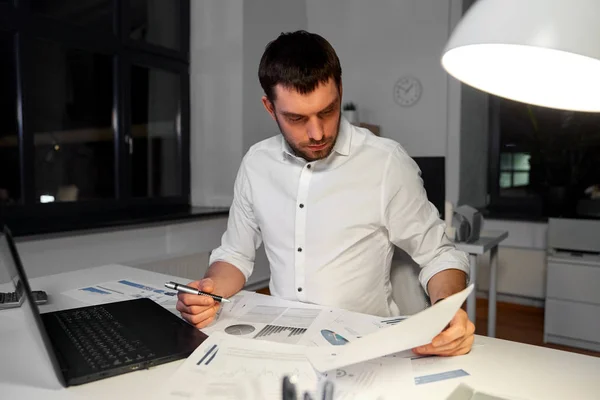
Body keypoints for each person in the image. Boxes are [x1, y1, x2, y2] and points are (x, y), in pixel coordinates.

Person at [177, 30, 474, 356]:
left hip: (366, 347)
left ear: (340, 91)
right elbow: (235, 255)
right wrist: (209, 292)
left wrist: (448, 311)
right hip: (282, 342)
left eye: (328, 111)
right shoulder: (256, 164)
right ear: (269, 107)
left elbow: (440, 254)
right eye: (296, 118)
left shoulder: (386, 162)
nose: (317, 132)